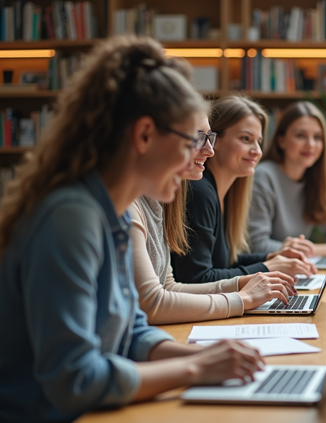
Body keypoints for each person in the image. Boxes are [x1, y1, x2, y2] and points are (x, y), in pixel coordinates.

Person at [0, 36, 264, 423]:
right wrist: (195, 370)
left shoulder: (116, 213)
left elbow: (133, 331)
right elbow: (74, 379)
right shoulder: (70, 217)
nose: (200, 154)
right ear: (143, 136)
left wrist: (205, 355)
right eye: (190, 140)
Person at [130, 108, 298, 325]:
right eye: (198, 138)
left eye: (209, 138)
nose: (210, 150)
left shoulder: (158, 202)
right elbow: (153, 303)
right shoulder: (193, 194)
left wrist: (244, 282)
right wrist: (242, 297)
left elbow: (169, 286)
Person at [171, 96, 316, 284]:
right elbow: (198, 278)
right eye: (246, 139)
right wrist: (267, 268)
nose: (257, 151)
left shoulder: (224, 193)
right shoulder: (200, 193)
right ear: (216, 140)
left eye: (259, 141)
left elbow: (224, 263)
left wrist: (271, 258)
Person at [248, 101, 326, 257]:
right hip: (267, 274)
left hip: (296, 269)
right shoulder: (264, 176)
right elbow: (257, 245)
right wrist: (318, 250)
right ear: (281, 140)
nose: (310, 144)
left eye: (317, 137)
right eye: (301, 135)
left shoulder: (318, 179)